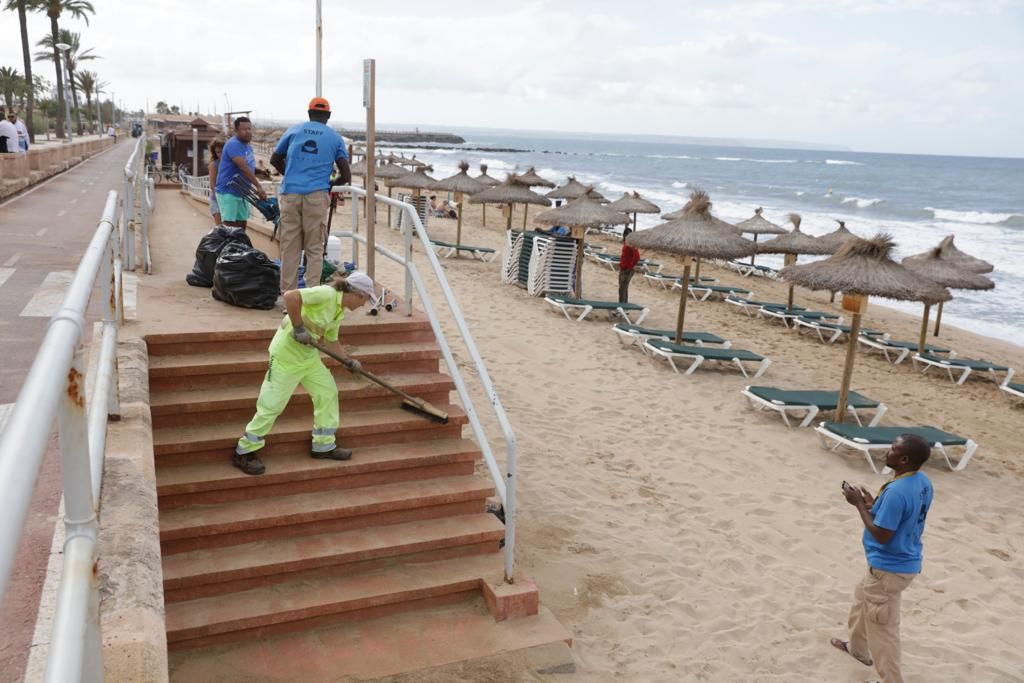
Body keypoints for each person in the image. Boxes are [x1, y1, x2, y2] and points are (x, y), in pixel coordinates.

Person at [232, 271, 375, 475]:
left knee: (327, 392)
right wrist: (299, 328)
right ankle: (244, 451)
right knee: (271, 405)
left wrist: (349, 361)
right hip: (286, 358)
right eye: (366, 300)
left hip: (308, 359)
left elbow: (331, 342)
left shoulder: (338, 311)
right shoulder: (326, 294)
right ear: (358, 294)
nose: (364, 305)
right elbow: (291, 296)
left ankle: (323, 445)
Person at [831, 434, 934, 683]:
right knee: (861, 602)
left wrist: (858, 504)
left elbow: (882, 534)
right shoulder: (921, 482)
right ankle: (857, 649)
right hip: (894, 562)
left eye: (892, 449)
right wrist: (872, 504)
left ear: (904, 459)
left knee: (884, 631)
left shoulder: (898, 491)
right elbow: (900, 517)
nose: (887, 452)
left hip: (889, 567)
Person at [269, 98, 350, 292]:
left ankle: (289, 299)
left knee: (290, 249)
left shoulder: (293, 131)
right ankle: (311, 295)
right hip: (316, 196)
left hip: (290, 194)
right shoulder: (335, 138)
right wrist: (330, 184)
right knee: (314, 249)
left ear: (309, 113)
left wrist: (290, 175)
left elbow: (275, 159)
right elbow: (346, 175)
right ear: (328, 116)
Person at [215, 116, 266, 230]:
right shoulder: (233, 144)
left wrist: (262, 173)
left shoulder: (247, 146)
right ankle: (228, 247)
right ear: (236, 131)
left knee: (242, 224)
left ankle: (240, 247)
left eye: (249, 128)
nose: (247, 132)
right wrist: (258, 186)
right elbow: (243, 167)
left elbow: (250, 167)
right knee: (229, 225)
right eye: (244, 129)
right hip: (228, 191)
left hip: (242, 192)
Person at [619, 227, 640, 303]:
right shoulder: (626, 243)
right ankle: (622, 307)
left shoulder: (631, 244)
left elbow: (637, 257)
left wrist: (630, 267)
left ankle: (623, 308)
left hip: (627, 270)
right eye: (626, 234)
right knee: (622, 289)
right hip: (623, 268)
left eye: (629, 235)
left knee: (623, 289)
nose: (627, 236)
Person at [207, 137, 225, 225]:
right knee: (220, 226)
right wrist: (219, 197)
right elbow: (212, 183)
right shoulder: (214, 164)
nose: (221, 154)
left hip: (229, 197)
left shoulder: (232, 163)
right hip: (217, 198)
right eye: (218, 152)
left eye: (223, 151)